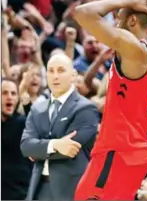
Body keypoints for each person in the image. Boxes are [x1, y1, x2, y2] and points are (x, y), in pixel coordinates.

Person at [73, 0, 147, 200]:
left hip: (118, 153)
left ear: (132, 21)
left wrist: (127, 1)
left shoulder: (135, 50)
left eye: (118, 18)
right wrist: (133, 2)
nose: (113, 24)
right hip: (129, 152)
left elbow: (82, 13)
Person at [20, 54, 99, 201]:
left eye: (61, 70)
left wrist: (39, 150)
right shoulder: (37, 109)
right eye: (51, 71)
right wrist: (55, 144)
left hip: (72, 190)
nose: (55, 76)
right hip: (39, 189)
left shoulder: (86, 108)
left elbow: (70, 149)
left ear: (73, 75)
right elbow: (25, 146)